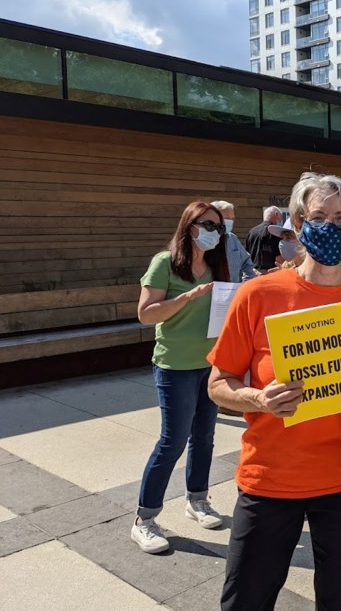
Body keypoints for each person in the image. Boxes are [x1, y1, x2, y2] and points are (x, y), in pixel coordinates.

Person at [206, 172, 341, 611]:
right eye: (319, 216)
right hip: (271, 480)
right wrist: (258, 399)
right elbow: (218, 385)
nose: (331, 226)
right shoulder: (257, 295)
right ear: (297, 221)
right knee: (245, 601)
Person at [131, 201, 230, 554]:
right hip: (175, 366)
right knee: (173, 440)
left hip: (210, 364)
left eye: (219, 227)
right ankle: (145, 519)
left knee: (204, 437)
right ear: (189, 226)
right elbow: (146, 314)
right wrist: (188, 297)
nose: (214, 232)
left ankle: (197, 500)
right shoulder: (165, 263)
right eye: (208, 225)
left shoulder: (218, 264)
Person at [211, 200, 258, 283]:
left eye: (232, 219)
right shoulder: (205, 240)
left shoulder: (232, 238)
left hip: (231, 292)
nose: (230, 221)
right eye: (227, 218)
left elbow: (246, 261)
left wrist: (248, 281)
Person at [245, 205, 284, 273]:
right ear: (276, 214)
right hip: (269, 273)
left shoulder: (251, 232)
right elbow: (279, 258)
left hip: (252, 272)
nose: (281, 221)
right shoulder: (275, 232)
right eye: (281, 218)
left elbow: (246, 254)